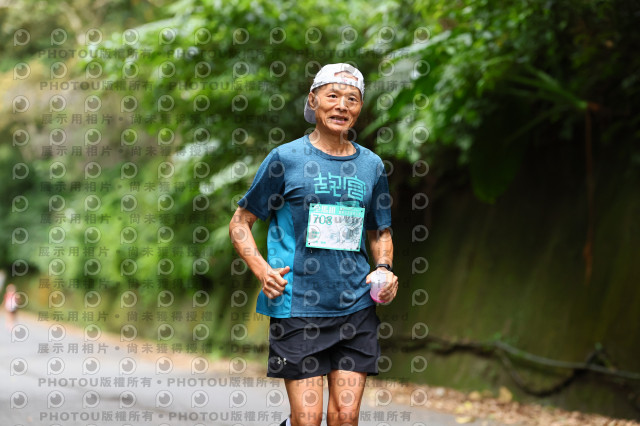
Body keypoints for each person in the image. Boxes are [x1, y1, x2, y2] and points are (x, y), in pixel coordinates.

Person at [229, 63, 398, 426]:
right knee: (307, 420)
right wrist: (262, 270)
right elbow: (241, 222)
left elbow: (379, 230)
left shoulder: (371, 166)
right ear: (313, 100)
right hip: (297, 306)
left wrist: (384, 268)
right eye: (332, 95)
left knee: (345, 417)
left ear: (360, 107)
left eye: (352, 99)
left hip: (355, 305)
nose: (341, 106)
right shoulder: (285, 159)